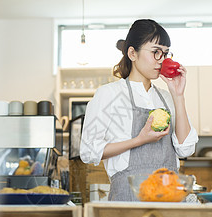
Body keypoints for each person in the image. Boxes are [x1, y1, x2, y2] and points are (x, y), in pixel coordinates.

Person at [79, 19, 198, 201]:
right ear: (132, 53)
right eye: (155, 52)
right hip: (128, 198)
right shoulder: (110, 95)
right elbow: (89, 151)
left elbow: (185, 149)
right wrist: (139, 140)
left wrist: (178, 96)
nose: (162, 60)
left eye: (165, 53)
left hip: (169, 198)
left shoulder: (166, 98)